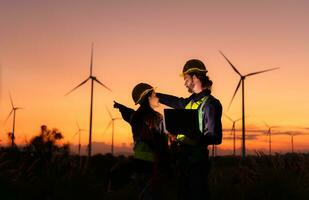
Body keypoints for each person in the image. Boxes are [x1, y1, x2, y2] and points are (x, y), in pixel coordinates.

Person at [156, 59, 222, 200]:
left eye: (186, 78)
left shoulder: (210, 104)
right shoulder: (189, 102)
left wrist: (194, 136)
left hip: (197, 163)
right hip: (183, 160)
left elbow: (216, 137)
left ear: (196, 77)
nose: (184, 82)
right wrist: (155, 95)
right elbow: (174, 101)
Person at [114, 83, 169, 199]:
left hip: (140, 166)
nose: (157, 97)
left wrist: (121, 108)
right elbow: (161, 144)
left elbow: (128, 113)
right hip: (154, 167)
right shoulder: (156, 117)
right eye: (154, 94)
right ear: (146, 97)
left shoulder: (136, 117)